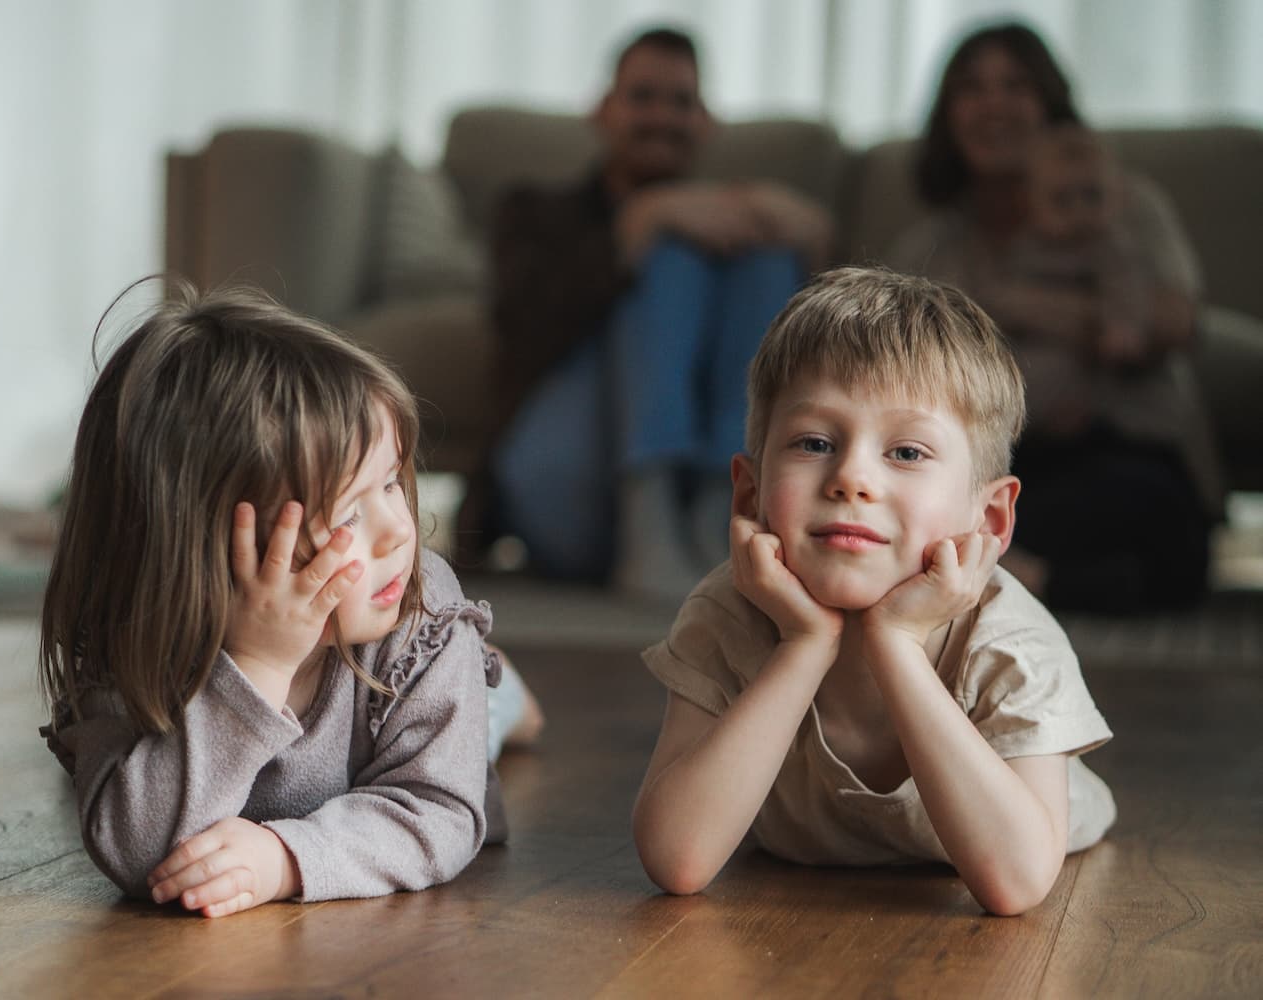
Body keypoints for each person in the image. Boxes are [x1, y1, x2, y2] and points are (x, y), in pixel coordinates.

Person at [38, 280, 541, 917]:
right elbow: (140, 854)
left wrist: (286, 858)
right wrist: (258, 665)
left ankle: (498, 687)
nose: (398, 531)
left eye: (391, 483)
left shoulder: (422, 620)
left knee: (482, 714)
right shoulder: (139, 640)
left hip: (419, 709)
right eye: (349, 513)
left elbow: (438, 810)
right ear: (204, 551)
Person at [631, 267, 1115, 917]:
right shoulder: (727, 615)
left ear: (990, 519)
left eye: (907, 452)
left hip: (1030, 831)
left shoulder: (1012, 641)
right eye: (814, 442)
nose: (852, 477)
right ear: (748, 493)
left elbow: (1017, 884)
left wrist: (898, 641)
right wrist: (804, 645)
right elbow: (677, 859)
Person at [472, 24, 832, 604]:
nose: (662, 116)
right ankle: (650, 512)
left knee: (765, 254)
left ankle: (723, 506)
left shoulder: (732, 224)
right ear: (602, 110)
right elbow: (522, 326)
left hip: (696, 510)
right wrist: (636, 226)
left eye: (681, 102)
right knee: (668, 258)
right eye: (643, 97)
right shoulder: (534, 208)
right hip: (571, 488)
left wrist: (797, 227)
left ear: (705, 122)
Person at [888, 21, 1221, 614]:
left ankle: (1014, 576)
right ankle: (1028, 575)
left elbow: (1176, 323)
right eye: (971, 88)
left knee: (1158, 517)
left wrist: (1025, 309)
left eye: (1015, 85)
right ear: (948, 116)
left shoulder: (1119, 204)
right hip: (1002, 462)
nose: (994, 105)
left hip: (1123, 447)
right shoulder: (930, 247)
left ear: (1049, 104)